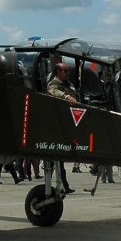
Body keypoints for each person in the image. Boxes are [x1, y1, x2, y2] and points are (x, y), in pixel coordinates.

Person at [46, 62, 77, 194]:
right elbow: (53, 91)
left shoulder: (68, 84)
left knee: (59, 158)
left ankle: (62, 184)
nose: (68, 73)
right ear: (58, 72)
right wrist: (66, 96)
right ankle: (60, 184)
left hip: (68, 122)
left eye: (68, 71)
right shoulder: (53, 83)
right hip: (57, 123)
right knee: (57, 158)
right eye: (65, 71)